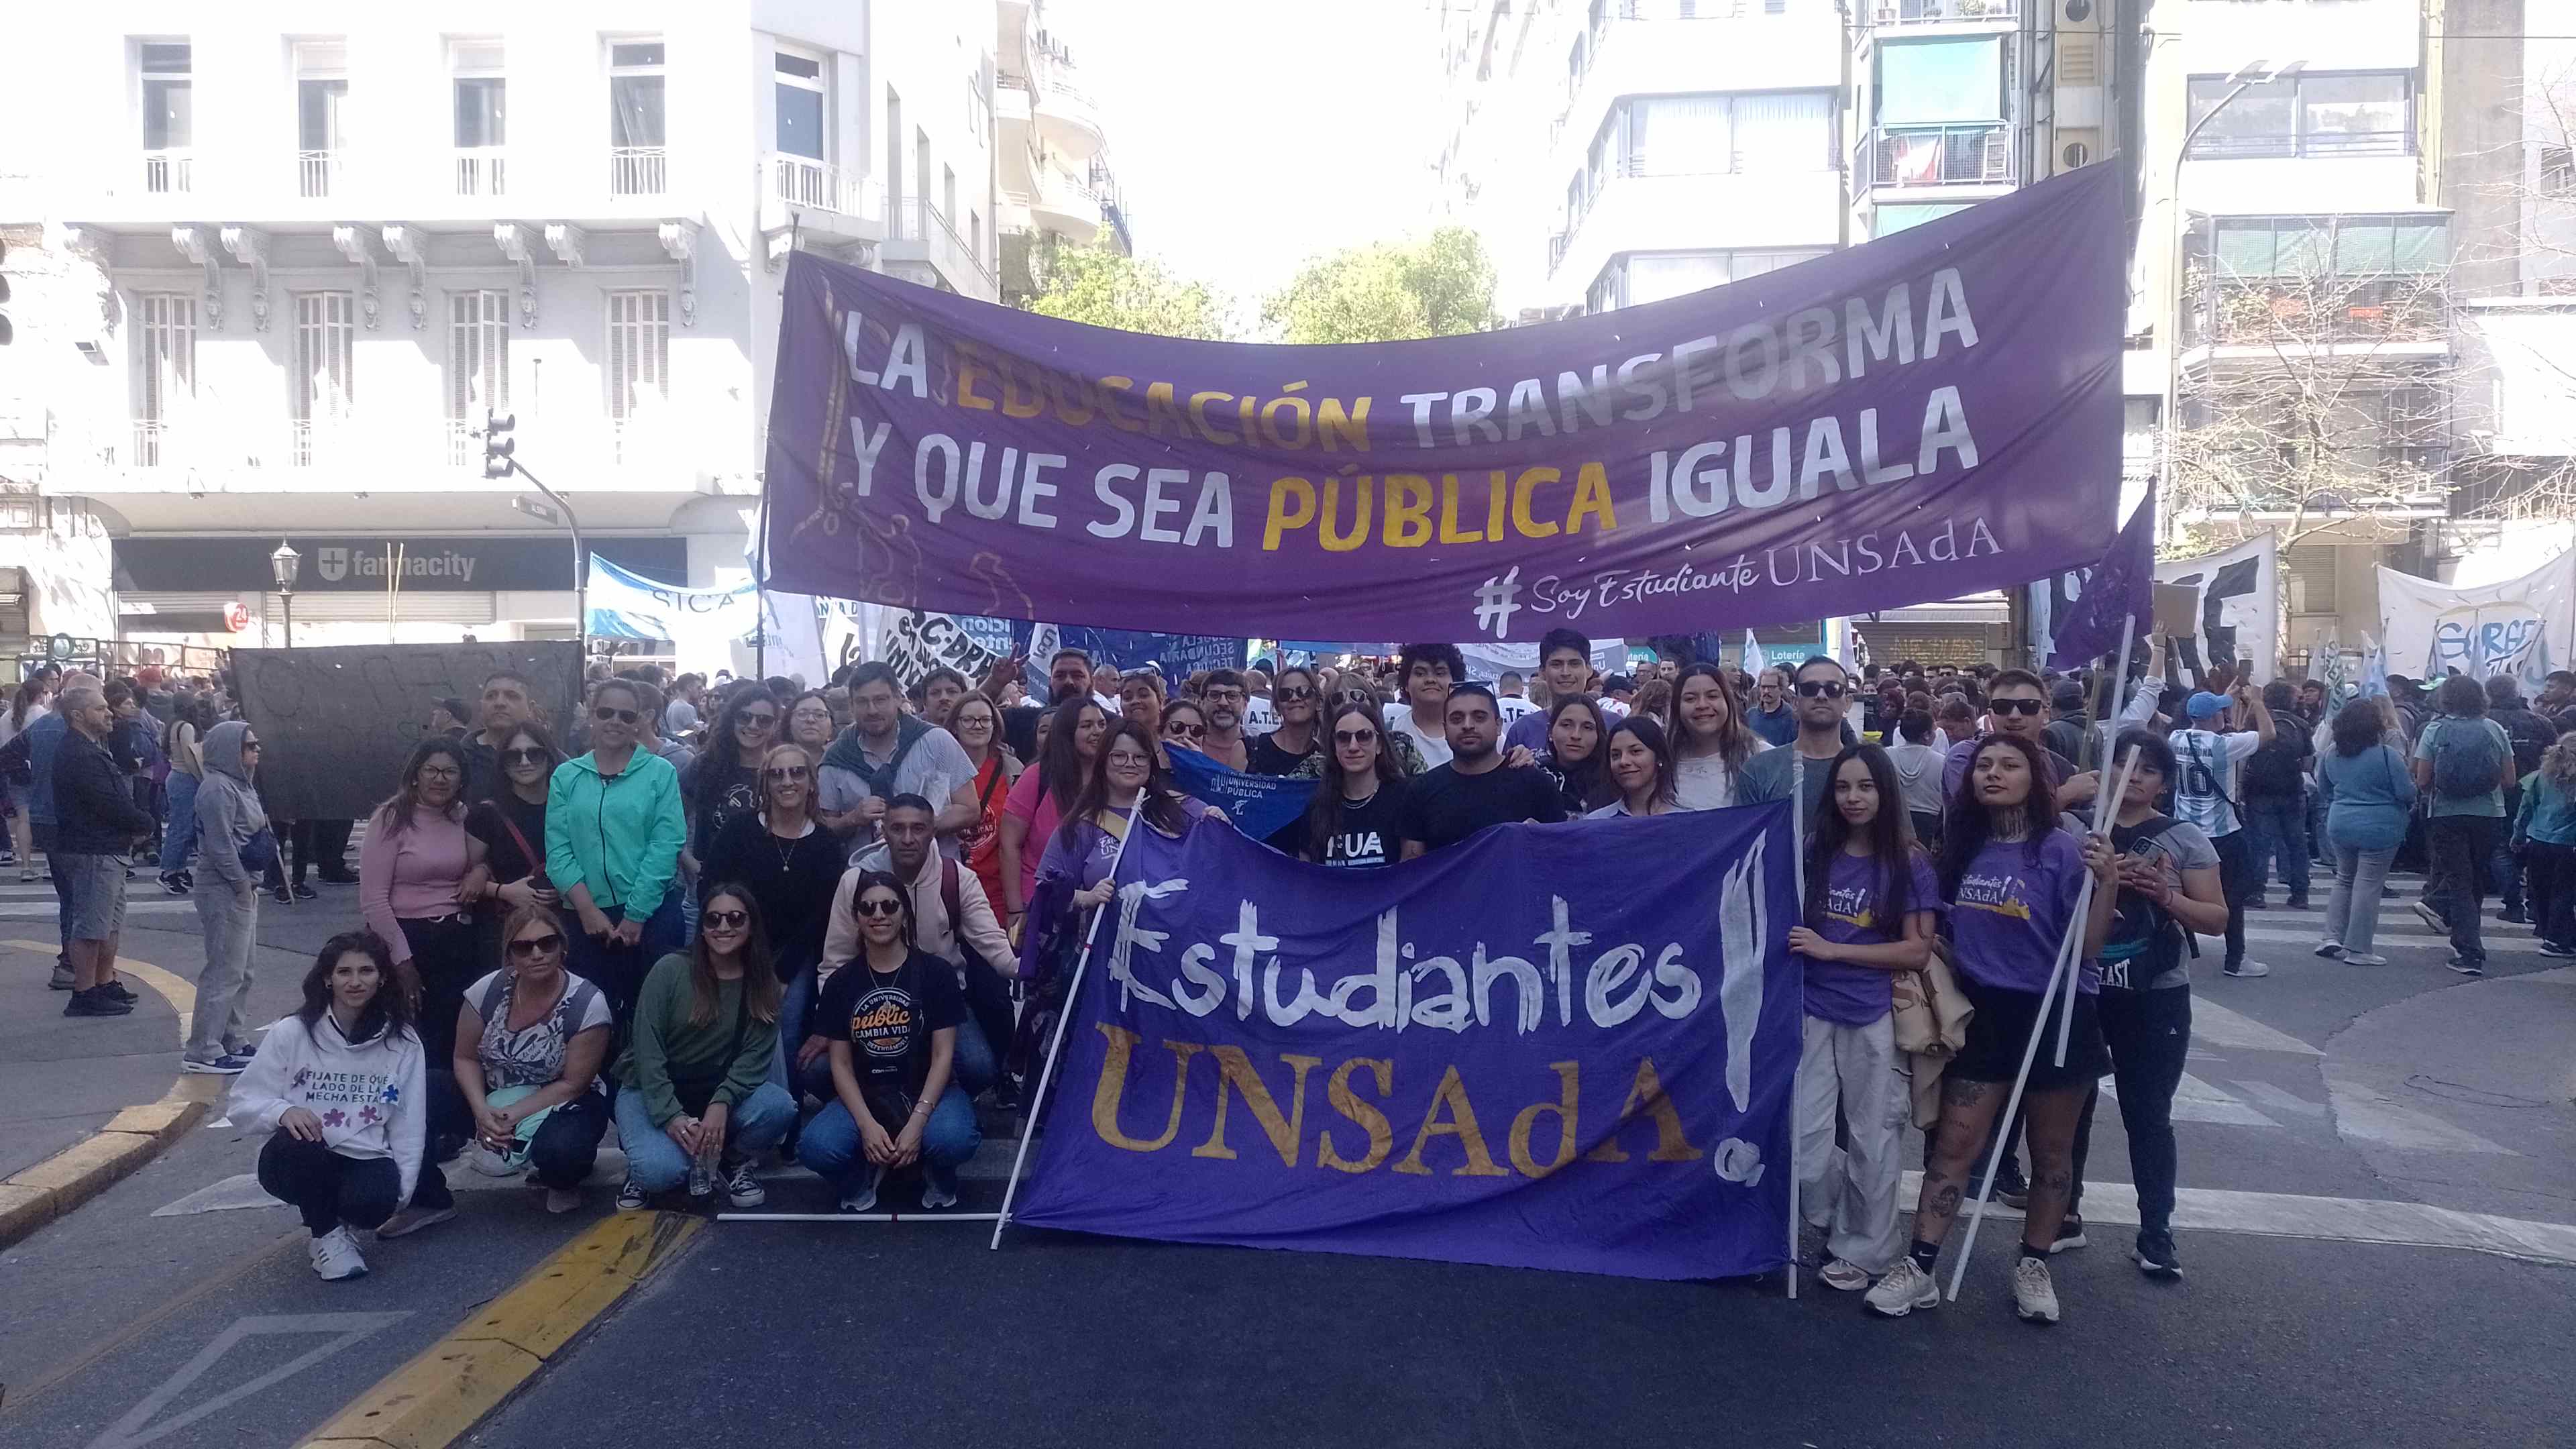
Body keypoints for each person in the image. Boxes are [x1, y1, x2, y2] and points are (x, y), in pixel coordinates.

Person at [1865, 735, 2118, 1325]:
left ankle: (2034, 1264)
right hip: (1984, 1016)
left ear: (2035, 779)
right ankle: (1920, 1266)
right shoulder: (1959, 849)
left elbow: (2088, 948)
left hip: (2057, 1014)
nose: (1993, 775)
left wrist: (2107, 882)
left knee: (2051, 1154)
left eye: (2009, 765)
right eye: (1983, 766)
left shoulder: (2063, 849)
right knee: (1955, 1147)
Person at [2072, 729, 2228, 1279]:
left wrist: (2165, 894)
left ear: (2163, 783)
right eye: (2122, 763)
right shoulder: (2076, 827)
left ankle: (2156, 1232)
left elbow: (2216, 919)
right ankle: (2063, 1212)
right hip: (2083, 986)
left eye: (2149, 769)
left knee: (2148, 1113)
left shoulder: (2185, 839)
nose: (2133, 776)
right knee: (2070, 1108)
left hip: (2155, 993)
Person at [1786, 743, 1937, 1292]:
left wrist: (1832, 950)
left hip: (1875, 1014)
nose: (1854, 797)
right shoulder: (1814, 850)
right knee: (1803, 1141)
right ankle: (1835, 1222)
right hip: (1810, 1009)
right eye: (1845, 787)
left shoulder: (1910, 861)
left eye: (1866, 787)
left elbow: (1916, 951)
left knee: (1875, 1136)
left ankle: (1867, 1250)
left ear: (1886, 793)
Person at [231, 931, 431, 1281]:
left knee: (374, 1205)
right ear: (327, 978)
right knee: (301, 1142)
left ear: (382, 977)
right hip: (300, 1153)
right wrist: (283, 1111)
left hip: (365, 1154)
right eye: (344, 972)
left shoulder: (403, 1041)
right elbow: (244, 1101)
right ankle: (326, 1234)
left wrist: (405, 1186)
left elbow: (408, 1118)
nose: (355, 982)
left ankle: (337, 1222)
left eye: (366, 971)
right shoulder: (291, 1032)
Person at [798, 871, 979, 1212]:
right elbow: (840, 1063)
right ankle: (861, 1178)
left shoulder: (937, 973)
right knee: (816, 1147)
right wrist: (866, 1125)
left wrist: (918, 1122)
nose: (878, 914)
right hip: (869, 1092)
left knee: (952, 1140)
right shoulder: (840, 982)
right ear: (856, 918)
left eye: (889, 906)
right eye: (867, 908)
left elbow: (944, 1055)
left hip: (928, 1091)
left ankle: (936, 1175)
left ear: (905, 914)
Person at [824, 795, 1016, 1106]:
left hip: (942, 1004)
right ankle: (872, 1102)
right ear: (883, 831)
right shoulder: (856, 881)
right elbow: (836, 960)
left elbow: (993, 945)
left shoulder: (957, 879)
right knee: (818, 1070)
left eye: (918, 829)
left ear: (933, 830)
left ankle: (942, 1104)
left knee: (979, 1068)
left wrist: (1028, 967)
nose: (908, 839)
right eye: (898, 829)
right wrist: (829, 1022)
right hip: (871, 1004)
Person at [612, 885, 794, 1210]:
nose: (724, 927)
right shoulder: (669, 970)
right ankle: (643, 1168)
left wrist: (722, 1103)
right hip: (648, 1088)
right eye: (714, 919)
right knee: (661, 1172)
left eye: (736, 918)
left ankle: (731, 1160)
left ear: (751, 925)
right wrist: (671, 1116)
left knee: (779, 1107)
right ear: (703, 927)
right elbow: (647, 1054)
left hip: (713, 1088)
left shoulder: (763, 982)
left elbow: (753, 1060)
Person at [449, 904, 612, 1214]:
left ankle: (561, 1178)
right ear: (510, 954)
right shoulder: (487, 990)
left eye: (547, 943)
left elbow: (573, 1084)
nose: (536, 954)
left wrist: (508, 1117)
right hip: (493, 1094)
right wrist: (482, 1111)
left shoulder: (588, 1002)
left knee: (562, 1152)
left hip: (564, 1100)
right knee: (430, 1091)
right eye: (524, 947)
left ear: (562, 947)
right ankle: (425, 1197)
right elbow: (464, 1058)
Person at [547, 678, 688, 1025]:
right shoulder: (566, 776)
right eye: (607, 712)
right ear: (592, 716)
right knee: (589, 1020)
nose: (616, 722)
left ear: (639, 720)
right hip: (584, 916)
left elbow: (665, 844)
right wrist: (587, 910)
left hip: (651, 913)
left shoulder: (660, 773)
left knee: (654, 1016)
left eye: (626, 716)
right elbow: (558, 849)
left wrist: (636, 914)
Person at [357, 738, 480, 1072]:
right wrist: (403, 961)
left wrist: (480, 872)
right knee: (409, 1038)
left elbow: (480, 863)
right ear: (415, 775)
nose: (440, 779)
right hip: (405, 939)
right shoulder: (391, 818)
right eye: (432, 770)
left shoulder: (462, 817)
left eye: (450, 772)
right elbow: (373, 900)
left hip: (456, 940)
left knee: (452, 1036)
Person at [701, 740, 845, 995]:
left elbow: (821, 915)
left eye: (797, 772)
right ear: (765, 784)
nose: (787, 781)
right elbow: (710, 885)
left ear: (812, 783)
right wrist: (729, 945)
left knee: (786, 1029)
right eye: (776, 774)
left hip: (794, 957)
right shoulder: (738, 829)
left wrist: (782, 973)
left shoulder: (827, 844)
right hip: (732, 945)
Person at [2164, 682, 2277, 979]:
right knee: (2233, 897)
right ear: (2216, 717)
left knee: (2179, 892)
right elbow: (2268, 734)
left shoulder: (2175, 738)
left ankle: (2176, 952)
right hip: (2222, 832)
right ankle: (2236, 958)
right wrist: (2258, 702)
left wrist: (2225, 696)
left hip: (2184, 830)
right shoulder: (2224, 746)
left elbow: (2210, 715)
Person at [52, 684, 152, 1018]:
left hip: (107, 847)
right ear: (78, 716)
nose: (108, 712)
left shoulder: (92, 748)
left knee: (108, 922)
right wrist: (143, 822)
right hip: (93, 848)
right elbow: (106, 803)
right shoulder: (78, 753)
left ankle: (103, 982)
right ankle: (84, 992)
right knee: (92, 925)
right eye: (99, 709)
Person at [816, 663, 979, 857]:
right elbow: (824, 829)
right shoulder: (836, 758)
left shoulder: (937, 741)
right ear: (851, 705)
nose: (872, 710)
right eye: (862, 702)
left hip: (935, 875)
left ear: (897, 698)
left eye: (881, 700)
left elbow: (970, 809)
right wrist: (853, 818)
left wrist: (917, 827)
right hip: (868, 878)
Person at [2412, 674, 2517, 976]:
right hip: (2489, 813)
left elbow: (2422, 779)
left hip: (2446, 813)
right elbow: (2509, 780)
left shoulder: (2436, 729)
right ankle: (2464, 938)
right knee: (2474, 880)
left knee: (2459, 879)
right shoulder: (2494, 728)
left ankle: (2469, 951)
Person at [1038, 720, 1217, 894]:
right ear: (1103, 761)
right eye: (1119, 756)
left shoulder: (1184, 808)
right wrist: (1084, 898)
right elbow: (1045, 888)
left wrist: (1221, 822)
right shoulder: (1081, 825)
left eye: (1140, 757)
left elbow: (1221, 857)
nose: (1130, 763)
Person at [182, 722, 270, 1073]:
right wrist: (240, 884)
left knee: (242, 970)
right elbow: (220, 845)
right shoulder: (217, 787)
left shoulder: (241, 784)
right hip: (224, 888)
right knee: (224, 970)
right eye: (249, 745)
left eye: (256, 743)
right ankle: (203, 1047)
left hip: (243, 884)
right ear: (229, 750)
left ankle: (233, 1037)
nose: (256, 750)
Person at [1398, 686, 1565, 858]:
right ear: (1445, 729)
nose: (1468, 726)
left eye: (1479, 718)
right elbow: (1412, 872)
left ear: (1498, 725)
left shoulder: (1537, 786)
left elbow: (1559, 857)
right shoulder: (1421, 791)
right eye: (1457, 719)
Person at [2316, 697, 2414, 966]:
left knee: (2344, 879)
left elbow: (2322, 788)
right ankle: (2359, 949)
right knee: (2369, 884)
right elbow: (2406, 792)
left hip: (2340, 822)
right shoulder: (2387, 755)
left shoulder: (2331, 753)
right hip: (2381, 825)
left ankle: (2331, 937)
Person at [459, 721, 563, 969]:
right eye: (513, 756)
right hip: (506, 932)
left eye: (534, 753)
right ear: (502, 764)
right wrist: (505, 892)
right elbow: (463, 878)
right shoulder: (486, 814)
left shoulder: (569, 807)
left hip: (562, 928)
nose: (525, 762)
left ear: (549, 758)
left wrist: (568, 888)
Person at [999, 698, 1108, 926]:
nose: (1097, 732)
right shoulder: (1038, 776)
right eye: (1087, 726)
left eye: (1102, 724)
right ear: (1067, 732)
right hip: (1041, 909)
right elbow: (1010, 845)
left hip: (1098, 913)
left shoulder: (1114, 779)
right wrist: (1015, 910)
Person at [1743, 657, 1856, 828]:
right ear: (1795, 702)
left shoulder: (1873, 769)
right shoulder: (1758, 770)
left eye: (1833, 689)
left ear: (1848, 702)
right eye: (1810, 689)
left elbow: (1900, 844)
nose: (1821, 696)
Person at [683, 687, 777, 888]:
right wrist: (690, 863)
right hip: (714, 884)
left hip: (769, 882)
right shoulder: (704, 765)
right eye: (745, 717)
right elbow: (668, 820)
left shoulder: (781, 769)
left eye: (764, 720)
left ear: (775, 726)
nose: (753, 726)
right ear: (732, 719)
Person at [1305, 702, 1410, 867]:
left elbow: (1413, 872)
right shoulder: (1317, 807)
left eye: (1365, 736)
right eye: (1343, 738)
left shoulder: (1404, 798)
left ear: (1380, 745)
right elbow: (1309, 875)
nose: (1353, 746)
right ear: (1334, 746)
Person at [2485, 676, 2555, 925]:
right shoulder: (2540, 722)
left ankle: (2513, 904)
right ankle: (2535, 905)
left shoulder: (2484, 723)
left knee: (2502, 849)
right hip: (2535, 792)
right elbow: (2555, 760)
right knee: (2534, 847)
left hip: (2495, 794)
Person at [2239, 681, 2314, 910]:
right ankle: (2300, 893)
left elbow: (2243, 754)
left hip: (2258, 790)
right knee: (2296, 842)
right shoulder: (2300, 723)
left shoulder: (2254, 720)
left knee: (2259, 842)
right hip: (2291, 789)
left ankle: (2257, 892)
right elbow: (2308, 763)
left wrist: (2240, 786)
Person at [950, 693, 1021, 908]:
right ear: (955, 726)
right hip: (950, 887)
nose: (977, 726)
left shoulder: (1013, 771)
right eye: (968, 720)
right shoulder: (938, 771)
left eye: (985, 720)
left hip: (998, 892)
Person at [1668, 663, 1766, 810]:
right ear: (1677, 707)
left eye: (1712, 696)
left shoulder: (1762, 757)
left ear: (1728, 701)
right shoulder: (1660, 761)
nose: (1702, 705)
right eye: (1690, 699)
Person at [2513, 731, 2576, 957]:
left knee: (2542, 889)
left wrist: (2518, 835)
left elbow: (2526, 807)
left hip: (2538, 840)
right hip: (2568, 843)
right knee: (2564, 892)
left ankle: (2547, 930)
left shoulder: (2540, 776)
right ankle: (2558, 940)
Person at [1502, 630, 1598, 755]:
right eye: (1556, 664)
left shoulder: (1612, 724)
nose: (1565, 673)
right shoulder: (1523, 729)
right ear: (1542, 672)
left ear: (1589, 669)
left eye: (1574, 664)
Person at [157, 692, 215, 895]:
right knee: (181, 828)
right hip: (185, 778)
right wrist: (202, 779)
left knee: (184, 826)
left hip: (178, 776)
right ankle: (168, 871)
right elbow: (191, 757)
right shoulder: (187, 727)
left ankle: (178, 868)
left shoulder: (174, 724)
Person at [459, 670, 538, 804]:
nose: (499, 703)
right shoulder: (459, 759)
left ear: (530, 707)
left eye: (512, 696)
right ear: (481, 705)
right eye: (491, 696)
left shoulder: (551, 760)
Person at [1383, 643, 1464, 769]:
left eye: (1440, 673)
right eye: (1420, 673)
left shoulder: (1476, 733)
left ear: (1455, 682)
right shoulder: (1388, 735)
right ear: (1406, 684)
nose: (1430, 680)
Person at [1587, 716, 1682, 818]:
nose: (1624, 761)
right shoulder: (1596, 822)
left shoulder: (1688, 820)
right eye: (1616, 755)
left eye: (1635, 752)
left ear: (1659, 757)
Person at [1884, 708, 1949, 850]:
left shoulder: (1886, 756)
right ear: (1926, 735)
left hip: (1894, 821)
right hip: (1930, 825)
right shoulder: (1942, 762)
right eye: (1934, 731)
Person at [1537, 695, 1609, 816]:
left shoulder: (1613, 780)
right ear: (1550, 731)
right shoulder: (1535, 772)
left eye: (1587, 727)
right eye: (1566, 725)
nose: (1576, 735)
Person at [1246, 665, 1324, 775]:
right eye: (1285, 694)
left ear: (1318, 703)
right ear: (1277, 707)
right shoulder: (1249, 749)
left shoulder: (1326, 759)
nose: (1294, 698)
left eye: (1304, 691)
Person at [1198, 669, 1255, 771]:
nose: (1223, 703)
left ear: (1245, 705)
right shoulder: (1187, 747)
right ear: (1202, 703)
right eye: (1214, 695)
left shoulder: (1261, 750)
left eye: (1232, 696)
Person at [783, 689, 837, 769]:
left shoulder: (842, 759)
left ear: (831, 726)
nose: (810, 720)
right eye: (802, 714)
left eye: (819, 715)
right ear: (789, 722)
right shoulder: (774, 762)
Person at [1746, 668, 1798, 747]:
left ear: (1781, 689)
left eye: (1771, 687)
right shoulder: (1750, 715)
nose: (1766, 691)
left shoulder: (1793, 719)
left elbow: (1799, 751)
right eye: (1763, 687)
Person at [1117, 668, 1167, 738]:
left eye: (1144, 695)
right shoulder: (1114, 743)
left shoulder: (1177, 740)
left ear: (1161, 701)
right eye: (1127, 698)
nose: (1135, 701)